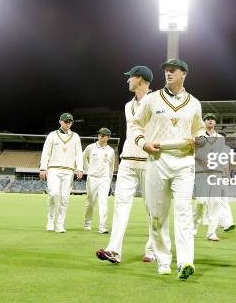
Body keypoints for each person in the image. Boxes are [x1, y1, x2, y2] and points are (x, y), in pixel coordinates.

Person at [130, 58, 205, 280]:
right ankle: (163, 260)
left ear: (184, 74)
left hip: (184, 161)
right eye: (166, 71)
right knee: (157, 215)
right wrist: (143, 143)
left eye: (173, 71)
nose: (168, 74)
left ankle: (185, 262)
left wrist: (200, 139)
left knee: (183, 213)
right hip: (157, 159)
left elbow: (199, 129)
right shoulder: (152, 100)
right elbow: (135, 125)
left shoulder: (194, 103)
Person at [96, 65, 164, 264]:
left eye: (130, 77)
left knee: (153, 209)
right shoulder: (128, 105)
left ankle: (152, 249)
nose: (127, 81)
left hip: (150, 162)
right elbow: (133, 132)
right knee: (120, 205)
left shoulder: (158, 101)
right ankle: (114, 250)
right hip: (128, 160)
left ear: (140, 79)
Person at [39, 113, 83, 233]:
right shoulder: (52, 135)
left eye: (70, 122)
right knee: (53, 194)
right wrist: (43, 168)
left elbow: (79, 153)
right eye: (65, 121)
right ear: (60, 122)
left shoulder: (75, 136)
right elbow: (46, 152)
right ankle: (50, 220)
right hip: (53, 169)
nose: (67, 124)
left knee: (64, 198)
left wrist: (80, 168)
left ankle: (60, 224)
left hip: (68, 170)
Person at [193, 113, 229, 241]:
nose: (210, 121)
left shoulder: (220, 137)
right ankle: (194, 224)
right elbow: (193, 153)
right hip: (201, 172)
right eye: (207, 119)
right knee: (201, 201)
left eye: (212, 119)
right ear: (204, 122)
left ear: (215, 122)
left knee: (215, 202)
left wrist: (225, 171)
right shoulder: (198, 136)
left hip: (216, 172)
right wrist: (202, 160)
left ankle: (211, 232)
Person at [83, 127, 116, 234]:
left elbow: (111, 166)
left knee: (103, 202)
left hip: (104, 179)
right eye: (100, 134)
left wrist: (109, 179)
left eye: (104, 135)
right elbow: (83, 157)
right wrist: (87, 169)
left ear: (108, 137)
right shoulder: (91, 147)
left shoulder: (111, 151)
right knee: (90, 203)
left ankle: (103, 227)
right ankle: (87, 223)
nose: (101, 136)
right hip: (92, 178)